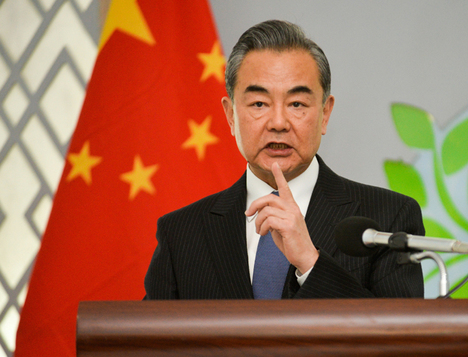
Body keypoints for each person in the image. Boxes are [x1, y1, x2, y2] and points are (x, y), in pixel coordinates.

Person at [144, 20, 424, 299]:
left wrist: (311, 263)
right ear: (230, 116)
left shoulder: (388, 220)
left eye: (297, 104)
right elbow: (149, 340)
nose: (278, 123)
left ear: (325, 114)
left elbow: (398, 338)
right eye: (259, 104)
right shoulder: (181, 234)